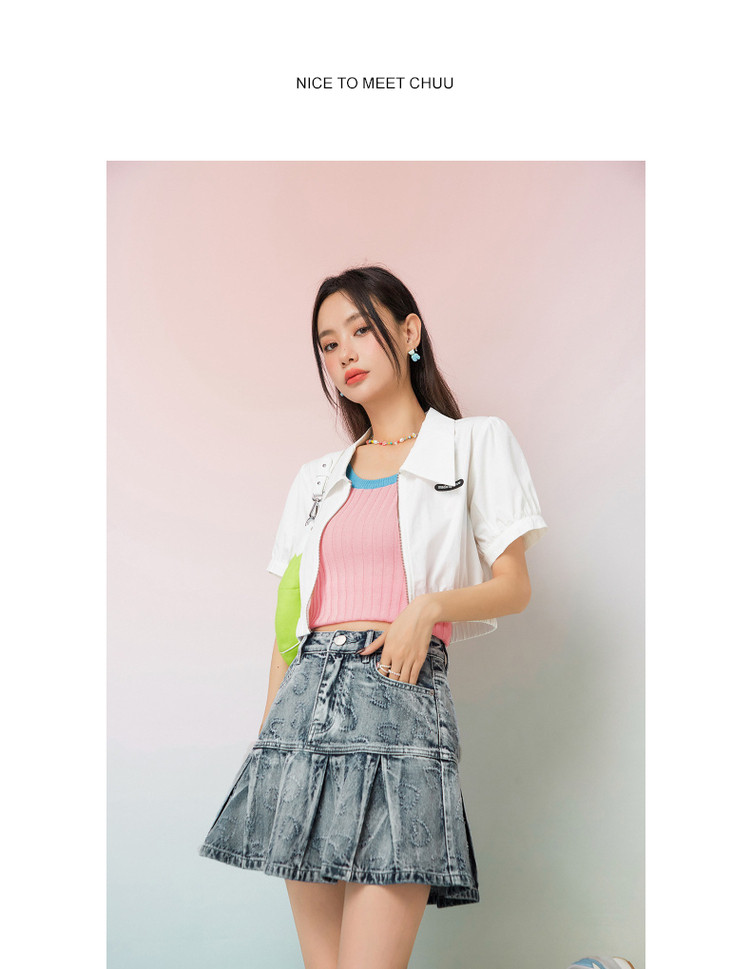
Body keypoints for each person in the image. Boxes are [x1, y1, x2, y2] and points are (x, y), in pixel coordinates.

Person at [199, 265, 548, 969]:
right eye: (329, 344)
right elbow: (289, 621)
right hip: (302, 714)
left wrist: (430, 608)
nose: (345, 354)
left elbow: (514, 585)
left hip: (402, 706)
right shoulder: (316, 479)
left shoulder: (474, 443)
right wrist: (268, 740)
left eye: (361, 330)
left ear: (409, 331)